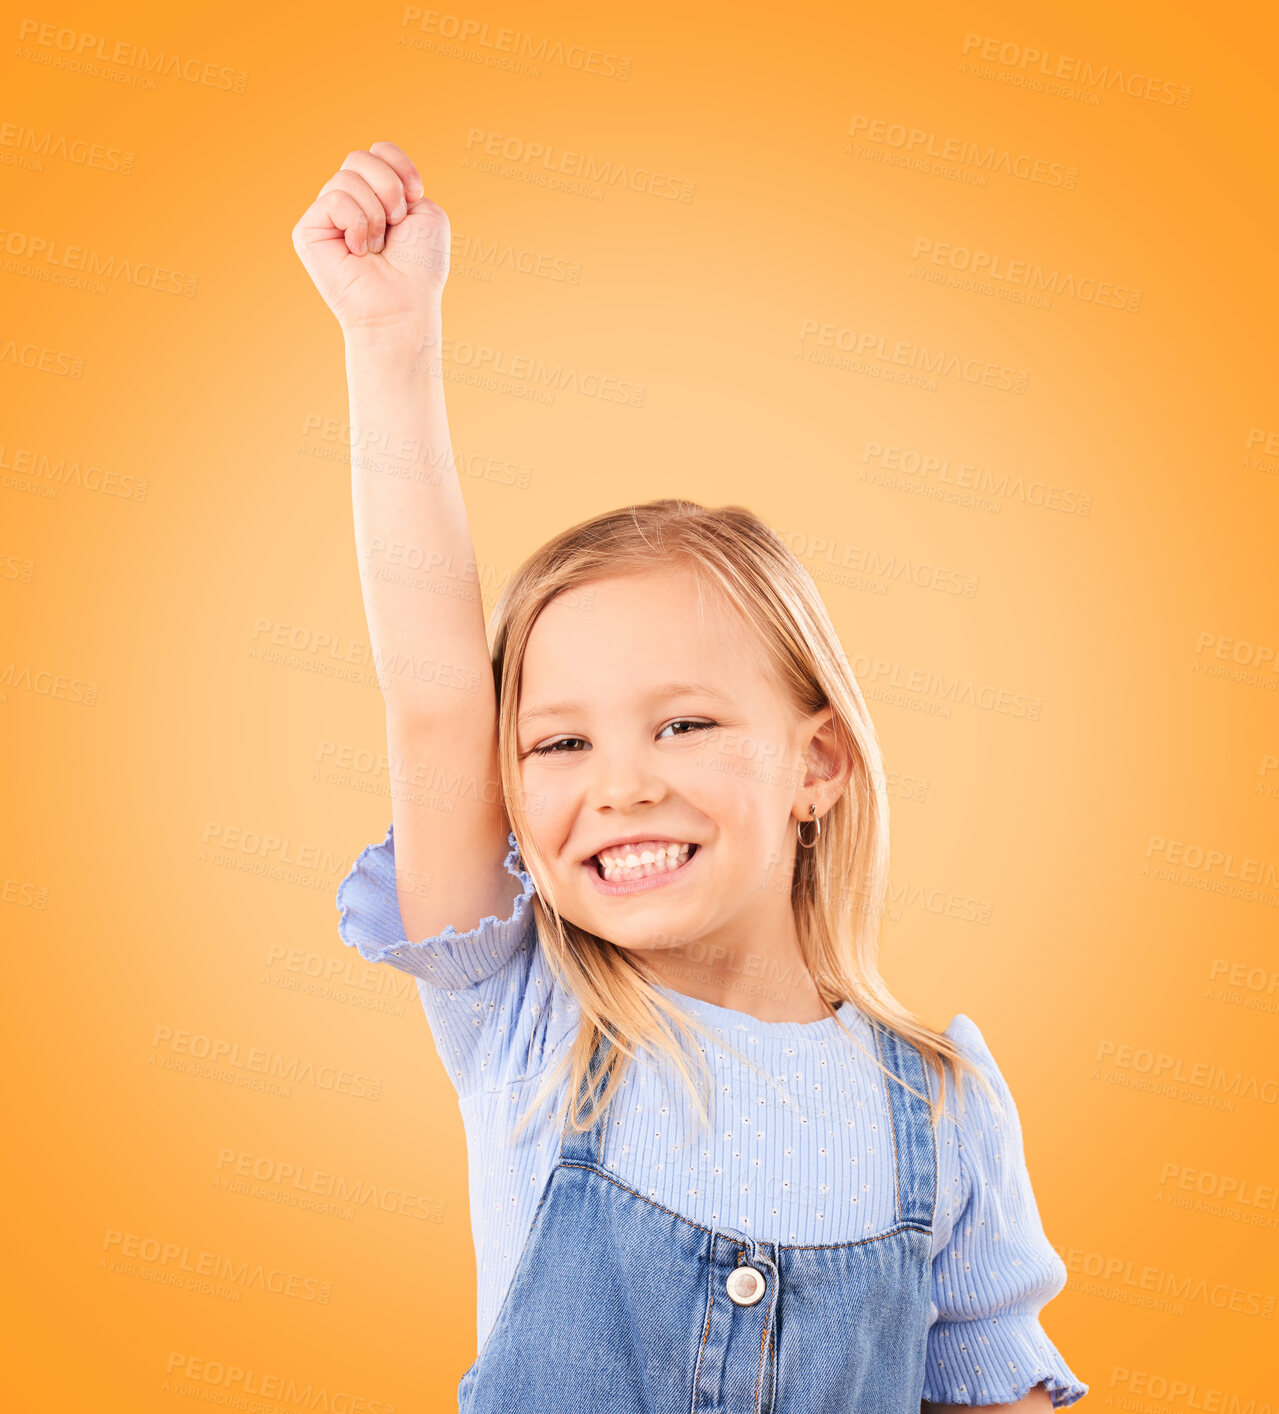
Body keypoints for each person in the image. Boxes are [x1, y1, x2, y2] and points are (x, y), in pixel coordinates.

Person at [292, 141, 1088, 1414]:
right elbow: (438, 695)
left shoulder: (941, 1106)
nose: (619, 787)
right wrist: (389, 341)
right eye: (559, 742)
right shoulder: (527, 1022)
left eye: (683, 725)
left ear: (815, 764)